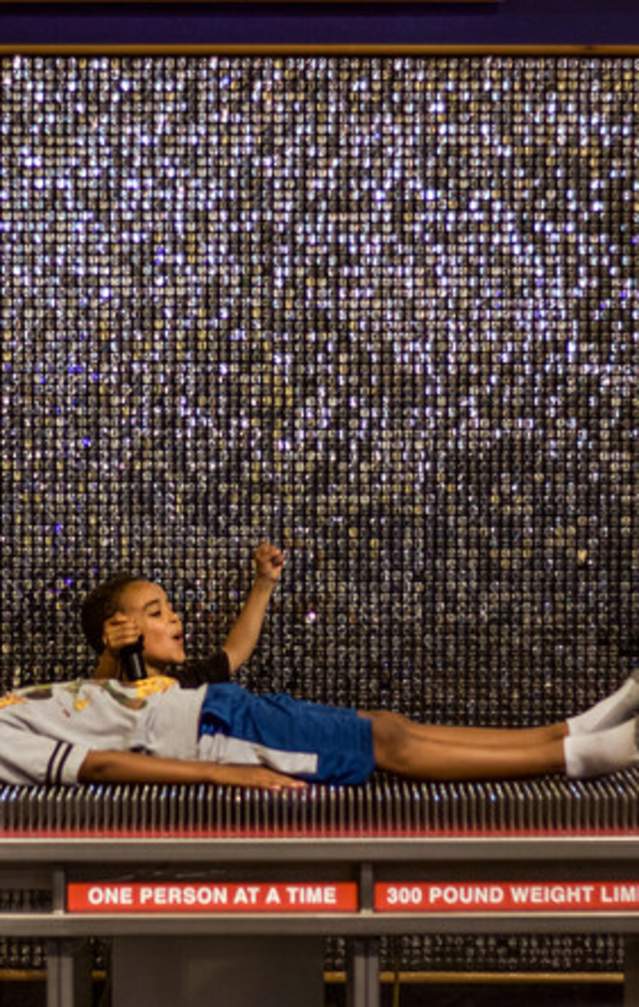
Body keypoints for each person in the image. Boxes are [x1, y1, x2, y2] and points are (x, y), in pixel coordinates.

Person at [0, 543, 637, 790]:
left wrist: (262, 585)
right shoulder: (120, 675)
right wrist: (224, 778)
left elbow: (229, 656)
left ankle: (569, 733)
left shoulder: (161, 679)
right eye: (157, 612)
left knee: (388, 724)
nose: (173, 621)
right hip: (217, 734)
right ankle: (581, 757)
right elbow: (104, 749)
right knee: (390, 743)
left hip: (228, 712)